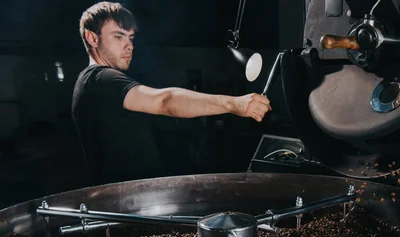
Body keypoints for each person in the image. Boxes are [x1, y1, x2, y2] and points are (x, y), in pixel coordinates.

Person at [71, 1, 271, 184]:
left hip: (134, 200)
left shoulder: (93, 82)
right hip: (127, 206)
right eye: (118, 36)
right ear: (92, 38)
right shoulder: (100, 78)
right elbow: (164, 101)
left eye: (130, 37)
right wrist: (235, 104)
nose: (129, 45)